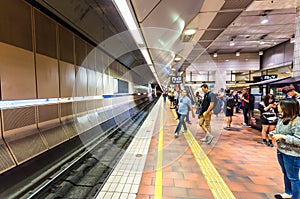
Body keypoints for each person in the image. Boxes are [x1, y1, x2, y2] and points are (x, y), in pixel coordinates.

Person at [270, 99, 300, 199]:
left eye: (280, 106)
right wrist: (273, 133)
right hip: (281, 151)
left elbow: (298, 140)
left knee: (293, 177)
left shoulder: (297, 122)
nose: (278, 107)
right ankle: (288, 193)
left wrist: (283, 137)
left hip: (292, 154)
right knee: (286, 173)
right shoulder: (282, 118)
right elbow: (278, 130)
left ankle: (296, 196)